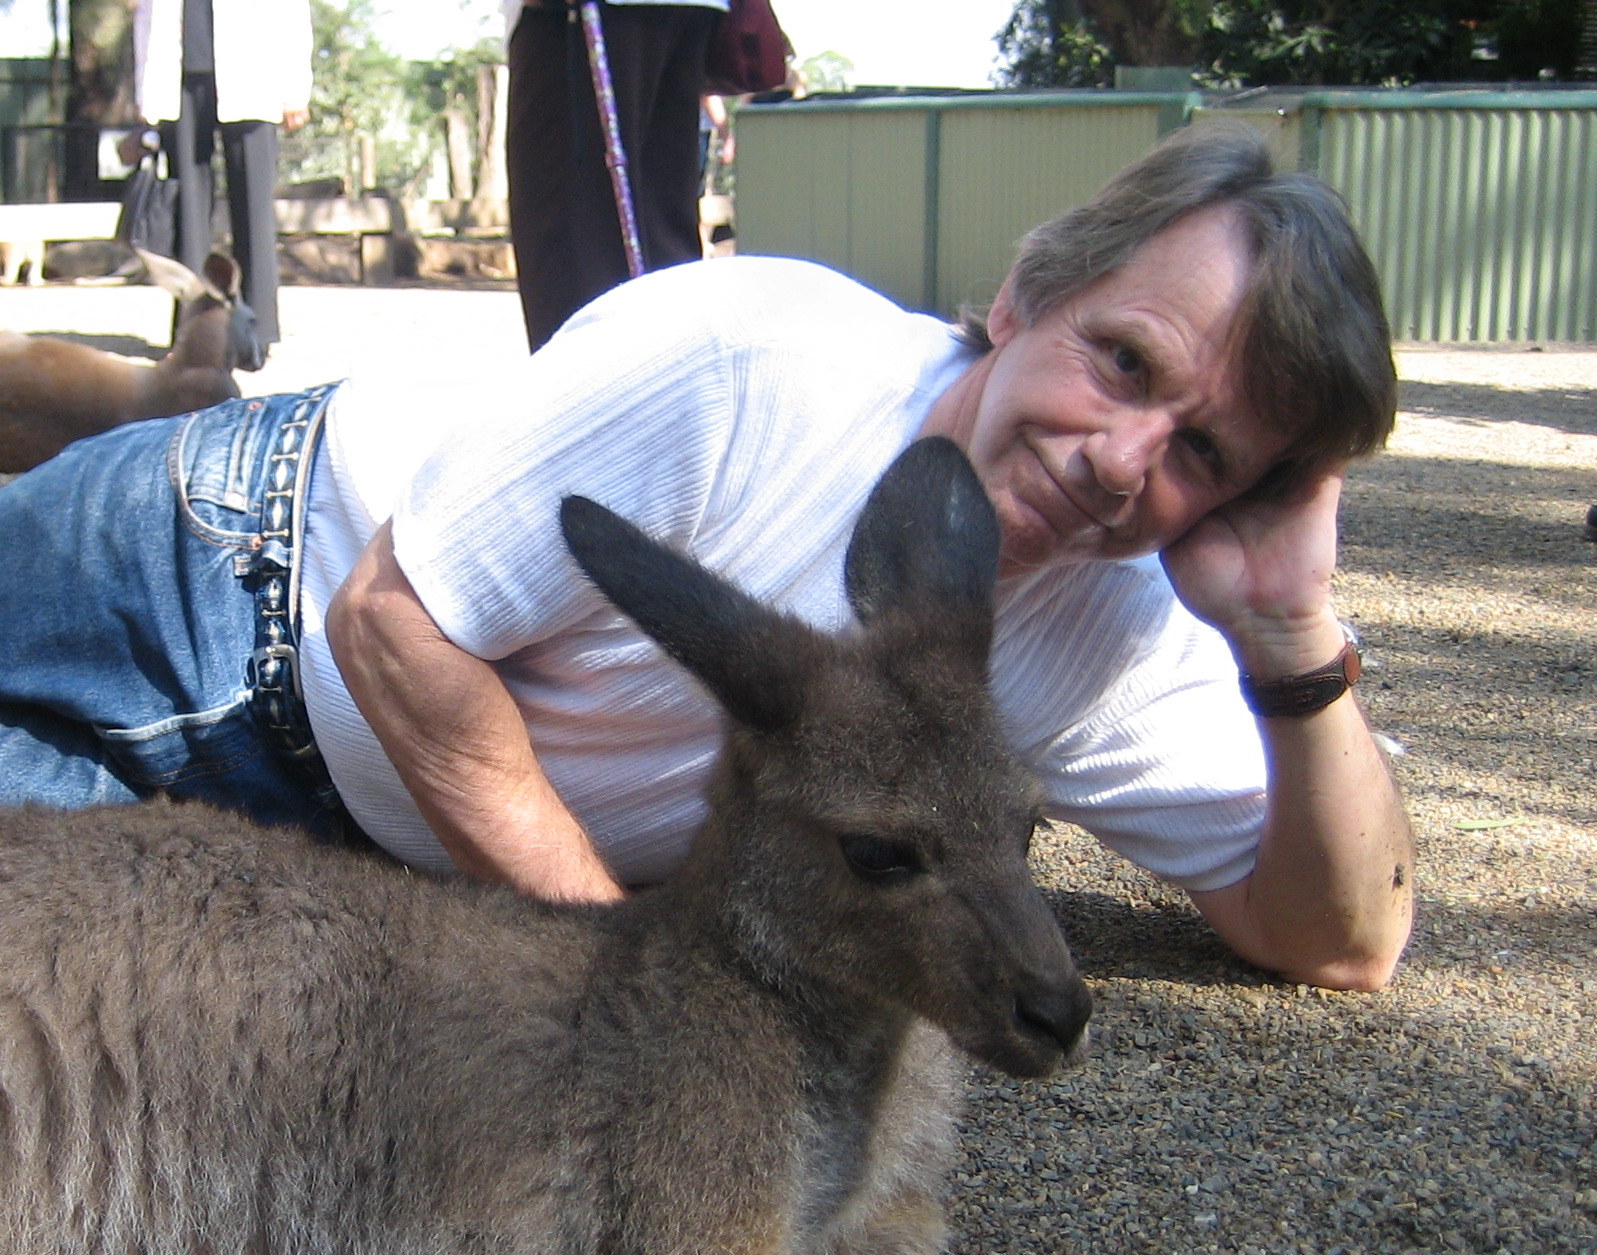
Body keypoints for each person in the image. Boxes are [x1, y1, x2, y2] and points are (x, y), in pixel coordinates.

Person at [0, 122, 1413, 991]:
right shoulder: (760, 364)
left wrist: (1290, 639)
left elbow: (1336, 940)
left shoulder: (1106, 629)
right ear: (1026, 293)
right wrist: (619, 977)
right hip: (212, 563)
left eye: (1206, 456)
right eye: (1122, 361)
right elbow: (392, 623)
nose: (1124, 459)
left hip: (307, 850)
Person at [503, 0, 730, 351]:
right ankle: (672, 397)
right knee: (662, 235)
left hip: (583, 16)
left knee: (575, 251)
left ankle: (595, 399)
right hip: (691, 10)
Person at [131, 0, 314, 351]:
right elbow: (146, 13)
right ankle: (193, 328)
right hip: (179, 75)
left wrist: (295, 90)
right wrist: (145, 89)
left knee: (253, 206)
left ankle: (258, 330)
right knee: (189, 211)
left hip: (255, 70)